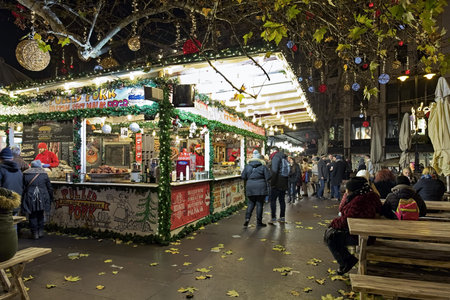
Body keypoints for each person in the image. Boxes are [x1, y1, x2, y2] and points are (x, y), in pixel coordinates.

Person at [324, 177, 381, 275]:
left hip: (362, 235)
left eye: (347, 190)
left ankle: (346, 262)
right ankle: (347, 260)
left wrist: (332, 223)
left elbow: (346, 220)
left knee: (331, 237)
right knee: (332, 234)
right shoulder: (370, 196)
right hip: (368, 232)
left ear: (353, 190)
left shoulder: (359, 201)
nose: (346, 192)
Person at [22, 160, 54, 239]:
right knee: (40, 214)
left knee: (32, 215)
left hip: (30, 196)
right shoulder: (44, 174)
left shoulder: (25, 174)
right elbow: (49, 187)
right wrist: (51, 197)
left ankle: (34, 233)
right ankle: (40, 231)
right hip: (42, 196)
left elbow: (23, 187)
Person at [241, 150, 271, 227]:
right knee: (259, 204)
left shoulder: (247, 166)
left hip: (250, 187)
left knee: (250, 203)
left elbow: (243, 176)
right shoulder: (263, 167)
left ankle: (247, 219)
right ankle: (259, 222)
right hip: (260, 188)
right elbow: (268, 177)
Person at [269, 147, 288, 224]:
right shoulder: (283, 157)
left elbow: (274, 171)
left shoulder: (275, 157)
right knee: (282, 200)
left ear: (274, 150)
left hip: (277, 182)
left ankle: (273, 218)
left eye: (270, 151)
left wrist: (272, 183)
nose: (270, 152)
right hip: (283, 182)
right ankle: (282, 217)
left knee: (273, 200)